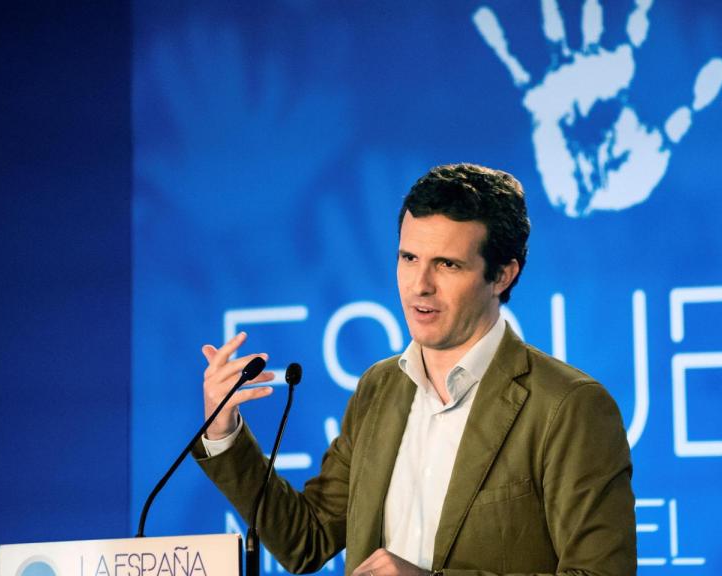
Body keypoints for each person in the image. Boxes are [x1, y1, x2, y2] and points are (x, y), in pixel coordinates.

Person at [193, 164, 636, 576]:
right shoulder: (379, 388)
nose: (419, 285)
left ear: (502, 275)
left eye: (447, 264)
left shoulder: (567, 406)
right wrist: (223, 430)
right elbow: (305, 541)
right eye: (409, 258)